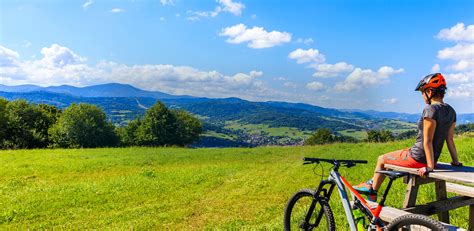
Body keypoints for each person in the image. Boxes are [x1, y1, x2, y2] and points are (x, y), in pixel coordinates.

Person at [353, 73, 463, 202]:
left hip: (418, 158)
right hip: (429, 157)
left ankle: (372, 195)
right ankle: (370, 182)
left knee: (381, 159)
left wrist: (429, 167)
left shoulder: (430, 110)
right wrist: (455, 161)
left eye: (422, 92)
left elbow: (427, 140)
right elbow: (449, 139)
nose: (422, 96)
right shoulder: (451, 111)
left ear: (429, 91)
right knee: (393, 158)